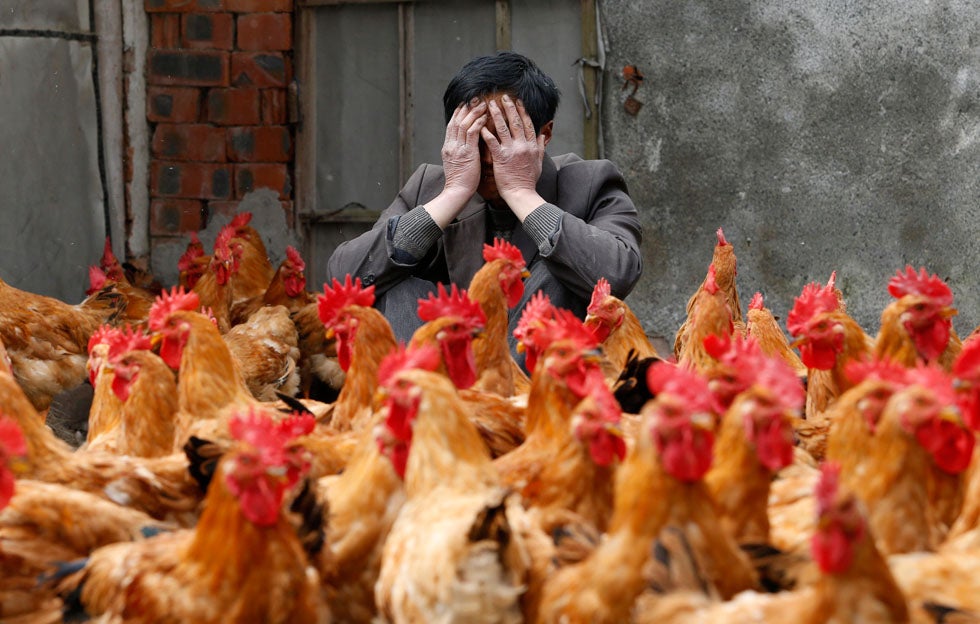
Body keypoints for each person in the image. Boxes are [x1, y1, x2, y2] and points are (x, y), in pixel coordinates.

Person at [326, 51, 642, 357]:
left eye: (504, 139)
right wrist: (452, 195)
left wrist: (522, 194)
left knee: (557, 272)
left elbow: (617, 276)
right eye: (477, 141)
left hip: (543, 386)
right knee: (394, 283)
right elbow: (345, 278)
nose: (490, 159)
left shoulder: (589, 182)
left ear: (544, 135)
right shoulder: (429, 186)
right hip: (444, 377)